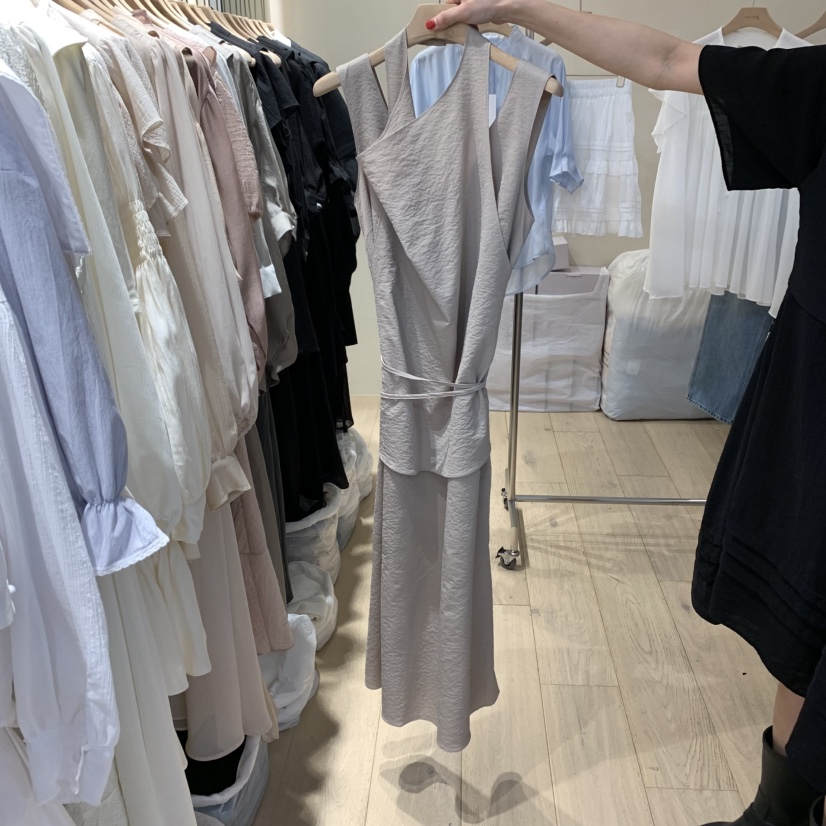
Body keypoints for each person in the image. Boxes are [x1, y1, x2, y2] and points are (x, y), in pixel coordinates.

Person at [428, 3, 826, 826]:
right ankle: (778, 814)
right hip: (816, 404)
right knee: (804, 623)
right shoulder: (822, 84)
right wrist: (515, 7)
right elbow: (668, 60)